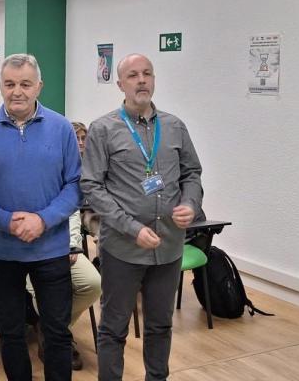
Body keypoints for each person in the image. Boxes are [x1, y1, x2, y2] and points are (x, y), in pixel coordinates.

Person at [81, 54, 203, 381]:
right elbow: (91, 185)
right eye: (133, 75)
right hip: (123, 247)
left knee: (160, 325)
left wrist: (190, 203)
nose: (142, 80)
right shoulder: (103, 128)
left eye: (147, 74)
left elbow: (192, 172)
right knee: (113, 327)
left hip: (168, 245)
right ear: (120, 84)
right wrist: (131, 228)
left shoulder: (175, 126)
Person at [0, 54, 81, 381]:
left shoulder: (62, 128)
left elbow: (76, 186)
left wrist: (42, 220)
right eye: (9, 84)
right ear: (0, 86)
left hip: (50, 250)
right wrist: (7, 222)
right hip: (0, 252)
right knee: (11, 333)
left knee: (57, 332)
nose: (17, 91)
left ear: (39, 86)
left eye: (25, 84)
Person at [27, 121, 102, 371]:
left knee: (92, 283)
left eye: (83, 138)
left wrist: (71, 245)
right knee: (44, 291)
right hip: (27, 250)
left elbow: (71, 211)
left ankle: (52, 331)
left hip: (64, 246)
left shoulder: (68, 172)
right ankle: (58, 337)